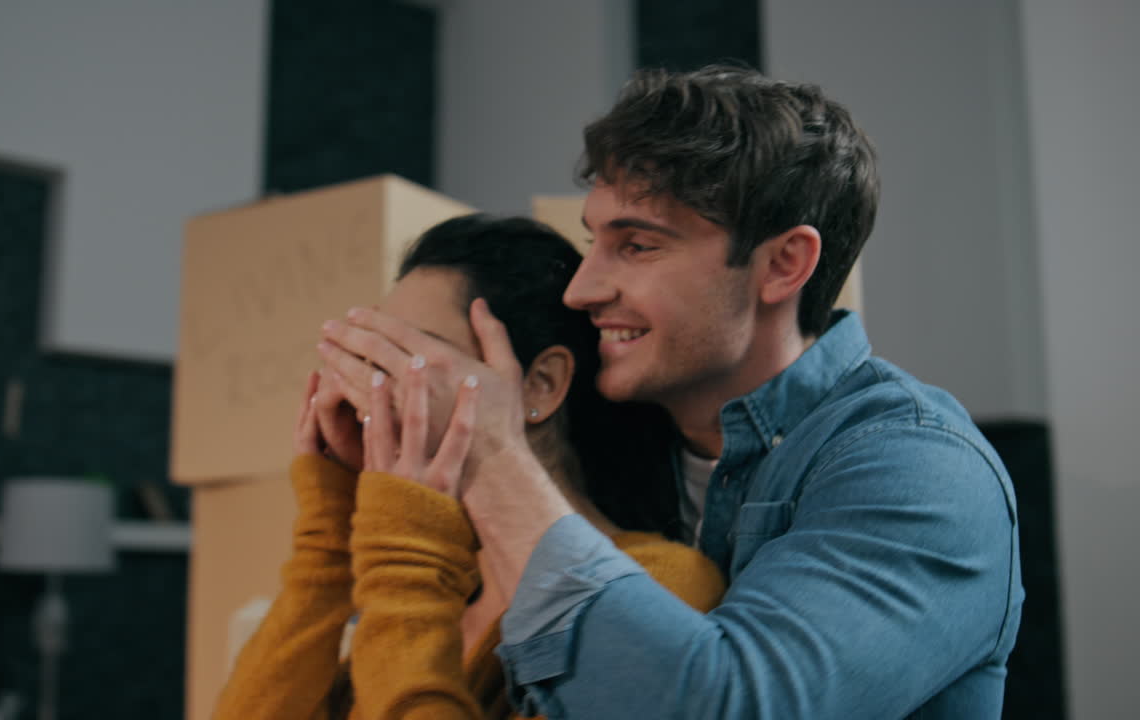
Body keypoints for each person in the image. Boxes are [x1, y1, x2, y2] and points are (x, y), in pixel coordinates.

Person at [318, 65, 1024, 718]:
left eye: (638, 245)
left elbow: (730, 705)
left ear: (783, 264)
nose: (582, 287)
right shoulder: (628, 442)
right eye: (593, 241)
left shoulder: (919, 470)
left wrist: (492, 453)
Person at [213, 214, 724, 719]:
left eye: (412, 360)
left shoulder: (660, 583)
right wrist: (331, 538)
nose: (374, 390)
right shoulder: (440, 601)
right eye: (373, 359)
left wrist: (404, 567)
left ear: (539, 384)